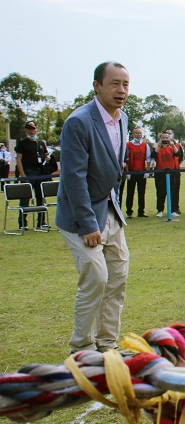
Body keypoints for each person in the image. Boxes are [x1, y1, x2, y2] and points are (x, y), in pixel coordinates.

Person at [56, 61, 130, 353]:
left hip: (110, 211)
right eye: (114, 83)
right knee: (96, 278)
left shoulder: (122, 118)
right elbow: (73, 177)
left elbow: (113, 170)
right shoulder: (79, 121)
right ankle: (82, 348)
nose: (121, 90)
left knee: (118, 277)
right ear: (97, 86)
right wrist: (88, 225)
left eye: (125, 84)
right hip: (81, 216)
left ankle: (107, 343)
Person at [14, 121, 50, 229]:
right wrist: (23, 174)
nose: (32, 131)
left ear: (36, 129)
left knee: (41, 197)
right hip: (28, 172)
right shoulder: (22, 143)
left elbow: (45, 155)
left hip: (40, 172)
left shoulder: (40, 143)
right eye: (29, 129)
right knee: (25, 198)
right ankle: (23, 223)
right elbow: (19, 160)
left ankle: (41, 222)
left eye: (33, 128)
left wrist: (47, 158)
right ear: (26, 130)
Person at [124, 127, 151, 218]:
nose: (138, 135)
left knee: (141, 192)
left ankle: (141, 211)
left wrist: (147, 171)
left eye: (139, 133)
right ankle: (129, 212)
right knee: (130, 192)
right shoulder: (128, 145)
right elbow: (126, 159)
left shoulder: (145, 145)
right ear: (133, 134)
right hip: (131, 172)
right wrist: (127, 172)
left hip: (141, 172)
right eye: (136, 133)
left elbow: (148, 159)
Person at [154, 131, 181, 217]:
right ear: (160, 139)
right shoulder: (156, 147)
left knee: (172, 192)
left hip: (171, 173)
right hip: (160, 173)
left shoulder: (172, 147)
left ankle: (173, 210)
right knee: (160, 192)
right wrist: (159, 145)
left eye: (167, 138)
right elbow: (153, 155)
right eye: (163, 138)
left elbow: (178, 154)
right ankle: (160, 210)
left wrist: (173, 145)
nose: (165, 139)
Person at [164, 129, 183, 215]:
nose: (168, 135)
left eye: (170, 133)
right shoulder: (162, 145)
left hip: (176, 170)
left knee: (176, 190)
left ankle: (176, 208)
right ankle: (162, 209)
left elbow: (181, 157)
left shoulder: (178, 145)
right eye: (167, 134)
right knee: (164, 190)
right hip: (165, 170)